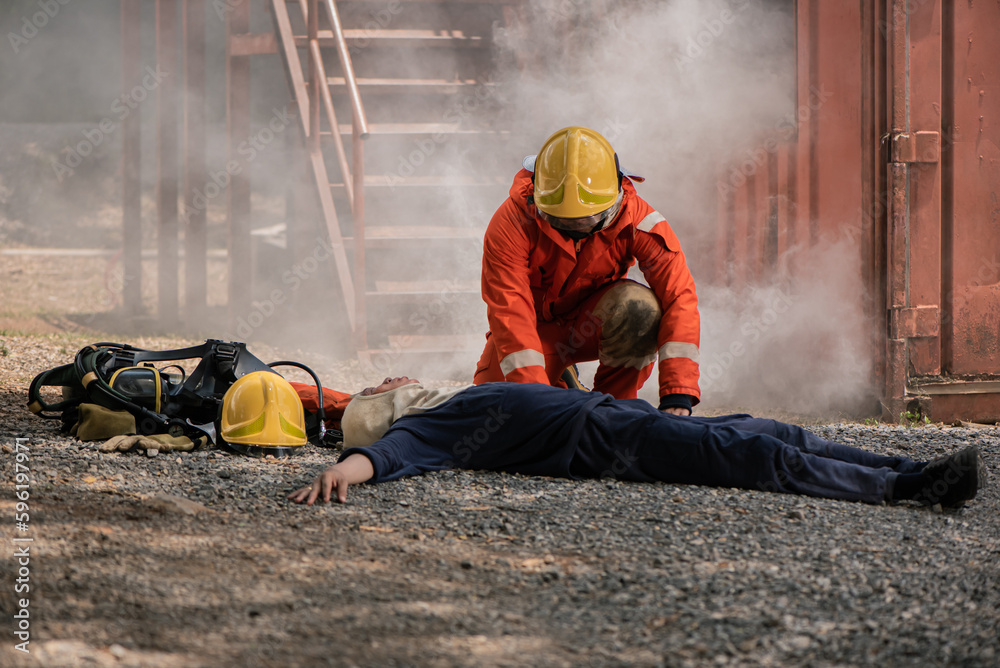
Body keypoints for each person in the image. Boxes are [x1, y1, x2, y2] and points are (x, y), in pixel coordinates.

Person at [288, 377, 987, 509]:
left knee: (775, 431)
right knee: (754, 458)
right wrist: (346, 471)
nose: (385, 378)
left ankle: (911, 465)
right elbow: (388, 456)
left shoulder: (454, 397)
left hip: (622, 418)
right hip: (607, 440)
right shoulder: (425, 425)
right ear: (389, 407)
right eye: (381, 387)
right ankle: (903, 489)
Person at [475, 126, 700, 415]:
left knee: (639, 307)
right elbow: (509, 308)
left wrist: (678, 392)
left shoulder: (639, 220)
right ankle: (562, 385)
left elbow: (679, 297)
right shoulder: (512, 221)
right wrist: (535, 403)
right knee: (492, 409)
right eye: (560, 220)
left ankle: (613, 408)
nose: (575, 229)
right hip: (532, 331)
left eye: (587, 220)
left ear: (616, 196)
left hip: (593, 325)